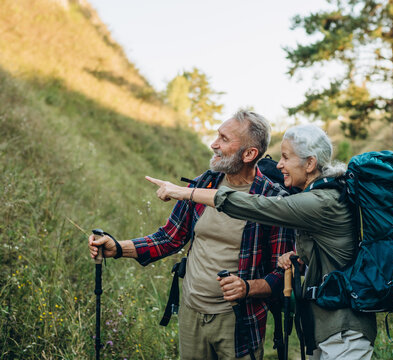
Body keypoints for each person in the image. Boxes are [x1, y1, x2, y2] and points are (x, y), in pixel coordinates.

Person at [150, 124, 377, 360]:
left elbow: (258, 205)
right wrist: (299, 259)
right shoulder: (322, 194)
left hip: (345, 331)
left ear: (309, 164)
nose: (278, 165)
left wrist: (185, 192)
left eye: (286, 158)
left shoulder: (322, 201)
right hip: (326, 326)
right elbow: (331, 251)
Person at [88, 109, 295, 360]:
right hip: (191, 312)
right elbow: (169, 238)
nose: (214, 144)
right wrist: (118, 248)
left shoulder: (273, 200)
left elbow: (285, 272)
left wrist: (247, 287)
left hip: (239, 320)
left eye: (224, 139)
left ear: (250, 153)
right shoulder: (203, 184)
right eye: (217, 135)